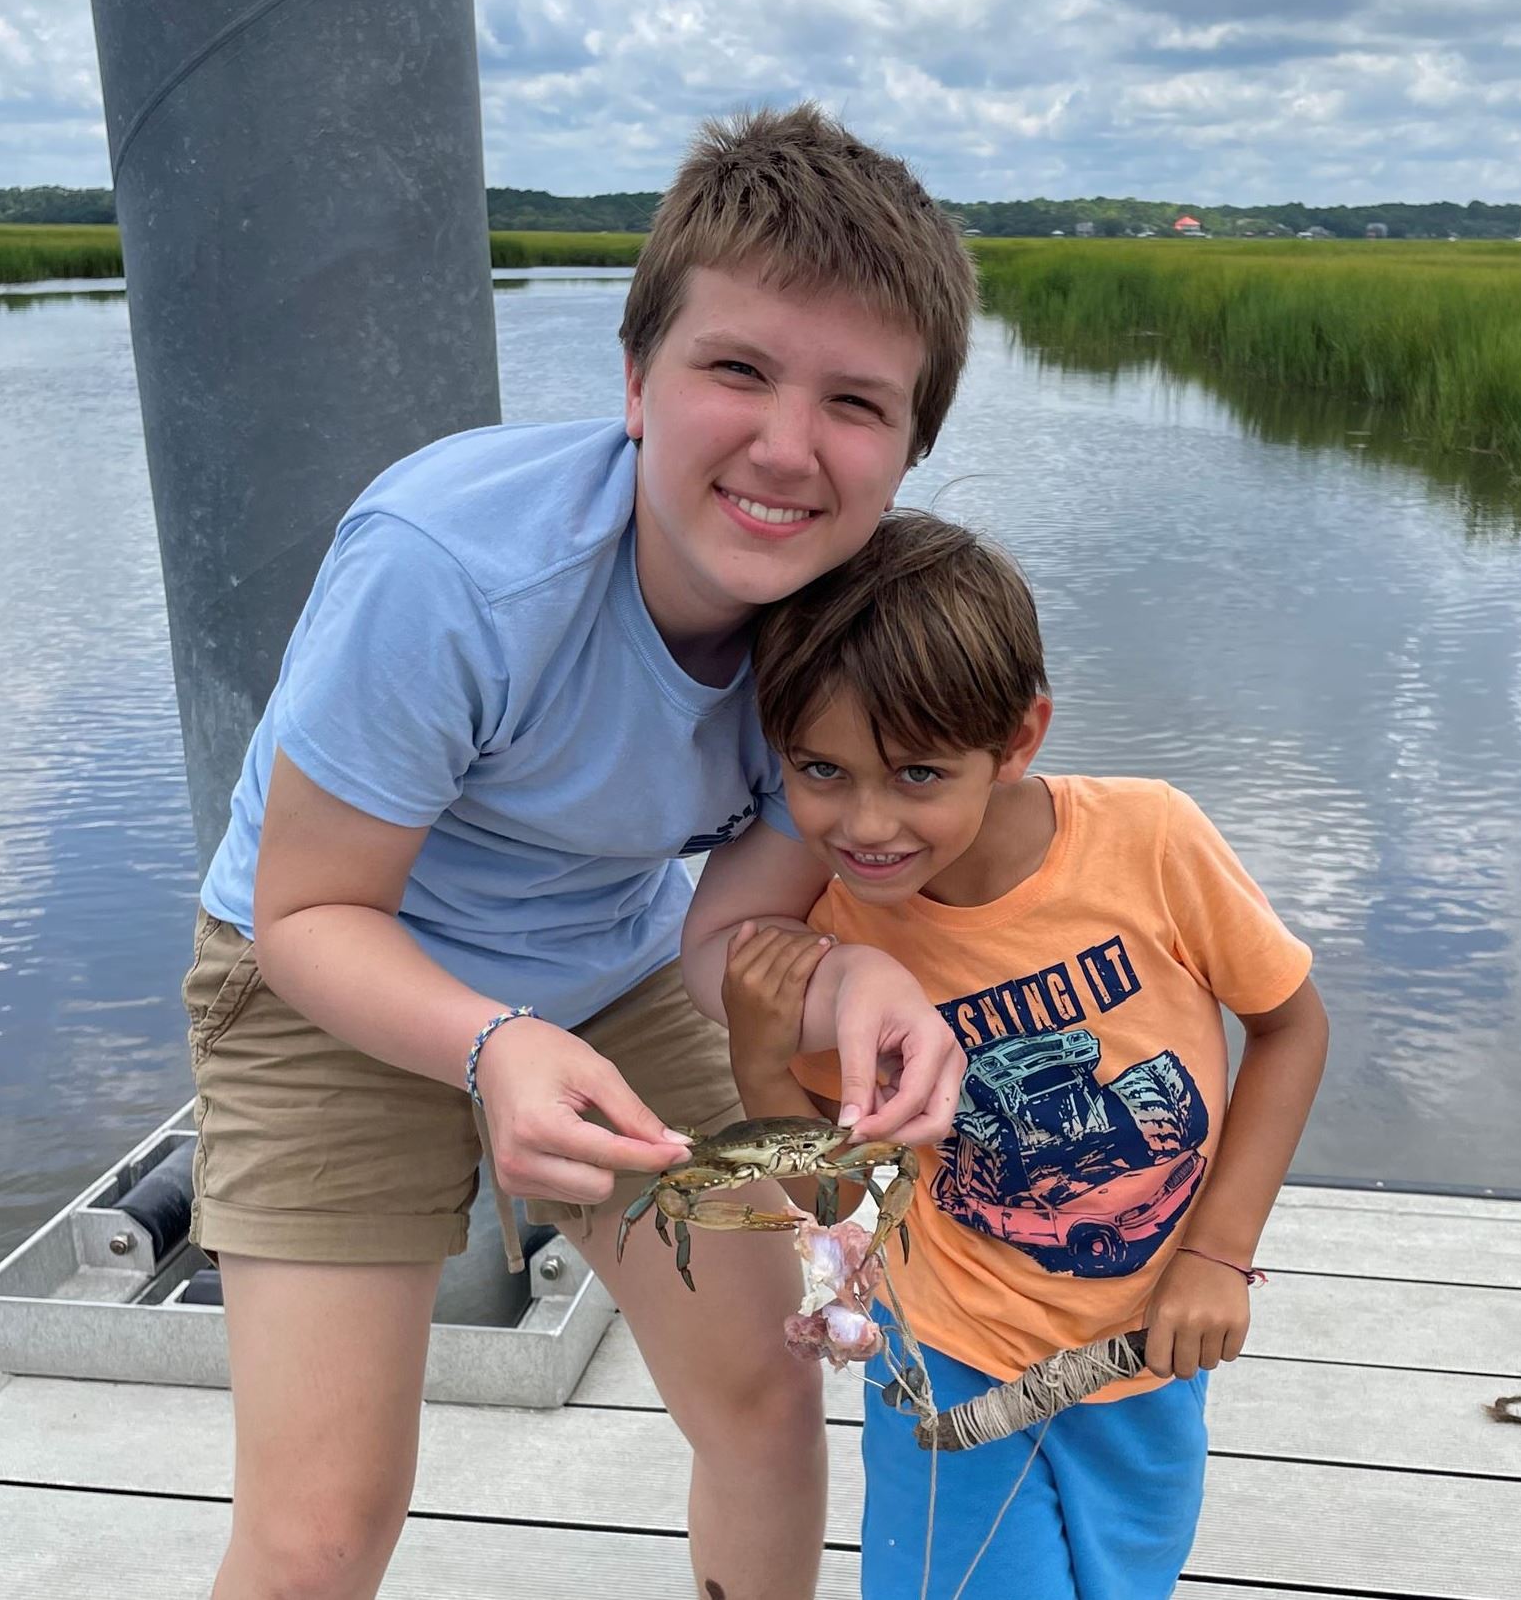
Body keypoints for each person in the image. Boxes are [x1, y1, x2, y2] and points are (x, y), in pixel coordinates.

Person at [184, 105, 978, 1600]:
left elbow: (725, 936)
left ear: (912, 446)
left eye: (856, 403)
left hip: (607, 962)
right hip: (326, 973)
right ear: (633, 378)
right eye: (734, 368)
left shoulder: (847, 639)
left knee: (759, 1397)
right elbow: (306, 907)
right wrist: (490, 1046)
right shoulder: (453, 569)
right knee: (321, 1525)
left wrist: (847, 984)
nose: (785, 447)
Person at [720, 510, 1329, 1600]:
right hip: (950, 1363)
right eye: (820, 770)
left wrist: (1217, 1254)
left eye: (917, 775)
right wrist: (762, 1061)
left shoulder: (1151, 842)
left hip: (1145, 1357)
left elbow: (1289, 1023)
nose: (866, 824)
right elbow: (837, 1189)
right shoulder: (841, 940)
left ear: (1018, 739)